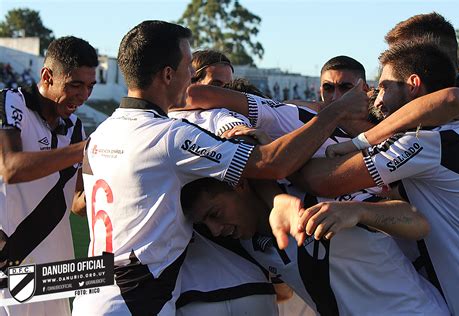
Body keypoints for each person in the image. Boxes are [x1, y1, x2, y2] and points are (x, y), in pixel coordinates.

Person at [72, 20, 366, 315]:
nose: (192, 76)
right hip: (138, 302)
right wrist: (336, 111)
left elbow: (81, 205)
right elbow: (270, 162)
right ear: (168, 74)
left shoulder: (100, 136)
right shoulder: (169, 137)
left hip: (92, 297)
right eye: (188, 66)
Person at [290, 41, 459, 315]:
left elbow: (323, 180)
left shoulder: (427, 143)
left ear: (413, 84)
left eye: (385, 86)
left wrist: (273, 156)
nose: (377, 98)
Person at [180, 175, 449, 315]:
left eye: (215, 214)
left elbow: (418, 223)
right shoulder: (243, 240)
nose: (215, 230)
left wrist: (359, 211)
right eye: (206, 224)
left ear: (239, 184)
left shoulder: (315, 196)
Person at [170, 50, 279, 316]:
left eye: (230, 88)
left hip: (222, 285)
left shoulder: (217, 117)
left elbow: (244, 140)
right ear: (191, 81)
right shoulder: (205, 118)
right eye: (218, 86)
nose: (227, 96)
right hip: (205, 287)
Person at [0, 36, 97, 315]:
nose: (84, 95)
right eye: (75, 84)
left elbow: (78, 202)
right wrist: (86, 149)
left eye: (90, 86)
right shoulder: (10, 103)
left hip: (56, 275)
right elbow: (10, 167)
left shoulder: (76, 128)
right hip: (10, 272)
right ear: (47, 76)